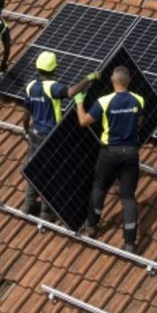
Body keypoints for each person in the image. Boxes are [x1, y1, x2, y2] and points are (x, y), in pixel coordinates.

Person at [74, 66, 145, 254]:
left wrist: (79, 102)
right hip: (131, 153)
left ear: (113, 81)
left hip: (110, 153)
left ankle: (92, 227)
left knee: (99, 188)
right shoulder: (139, 100)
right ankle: (130, 242)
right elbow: (139, 121)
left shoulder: (104, 102)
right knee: (128, 197)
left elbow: (83, 122)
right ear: (128, 81)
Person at [19, 53, 98, 217]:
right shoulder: (52, 87)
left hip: (34, 134)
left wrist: (26, 130)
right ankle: (46, 212)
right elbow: (71, 92)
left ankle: (28, 204)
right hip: (50, 137)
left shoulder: (31, 86)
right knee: (52, 173)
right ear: (54, 68)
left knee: (34, 168)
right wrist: (88, 79)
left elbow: (26, 114)